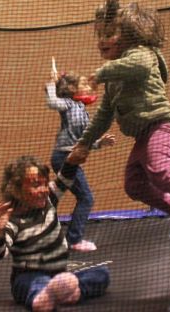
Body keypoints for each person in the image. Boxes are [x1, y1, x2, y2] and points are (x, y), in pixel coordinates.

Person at [68, 0, 170, 221]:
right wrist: (84, 144)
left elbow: (139, 65)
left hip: (159, 127)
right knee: (134, 185)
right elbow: (103, 116)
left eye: (109, 34)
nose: (102, 40)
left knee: (160, 171)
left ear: (128, 36)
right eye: (99, 35)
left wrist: (99, 74)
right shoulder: (114, 79)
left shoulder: (142, 54)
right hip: (142, 137)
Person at [0, 155, 110, 312]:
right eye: (36, 185)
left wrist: (72, 161)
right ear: (17, 190)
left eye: (45, 184)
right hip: (28, 277)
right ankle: (43, 297)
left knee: (101, 274)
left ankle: (66, 293)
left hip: (59, 274)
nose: (44, 189)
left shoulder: (48, 202)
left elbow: (64, 179)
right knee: (37, 283)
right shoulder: (13, 220)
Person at [45, 70, 115, 252]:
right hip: (64, 157)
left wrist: (99, 143)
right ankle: (74, 239)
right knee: (86, 198)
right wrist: (52, 83)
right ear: (71, 88)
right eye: (83, 84)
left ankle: (43, 231)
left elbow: (84, 140)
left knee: (54, 197)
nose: (88, 87)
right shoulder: (68, 104)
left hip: (72, 157)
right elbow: (52, 102)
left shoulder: (81, 109)